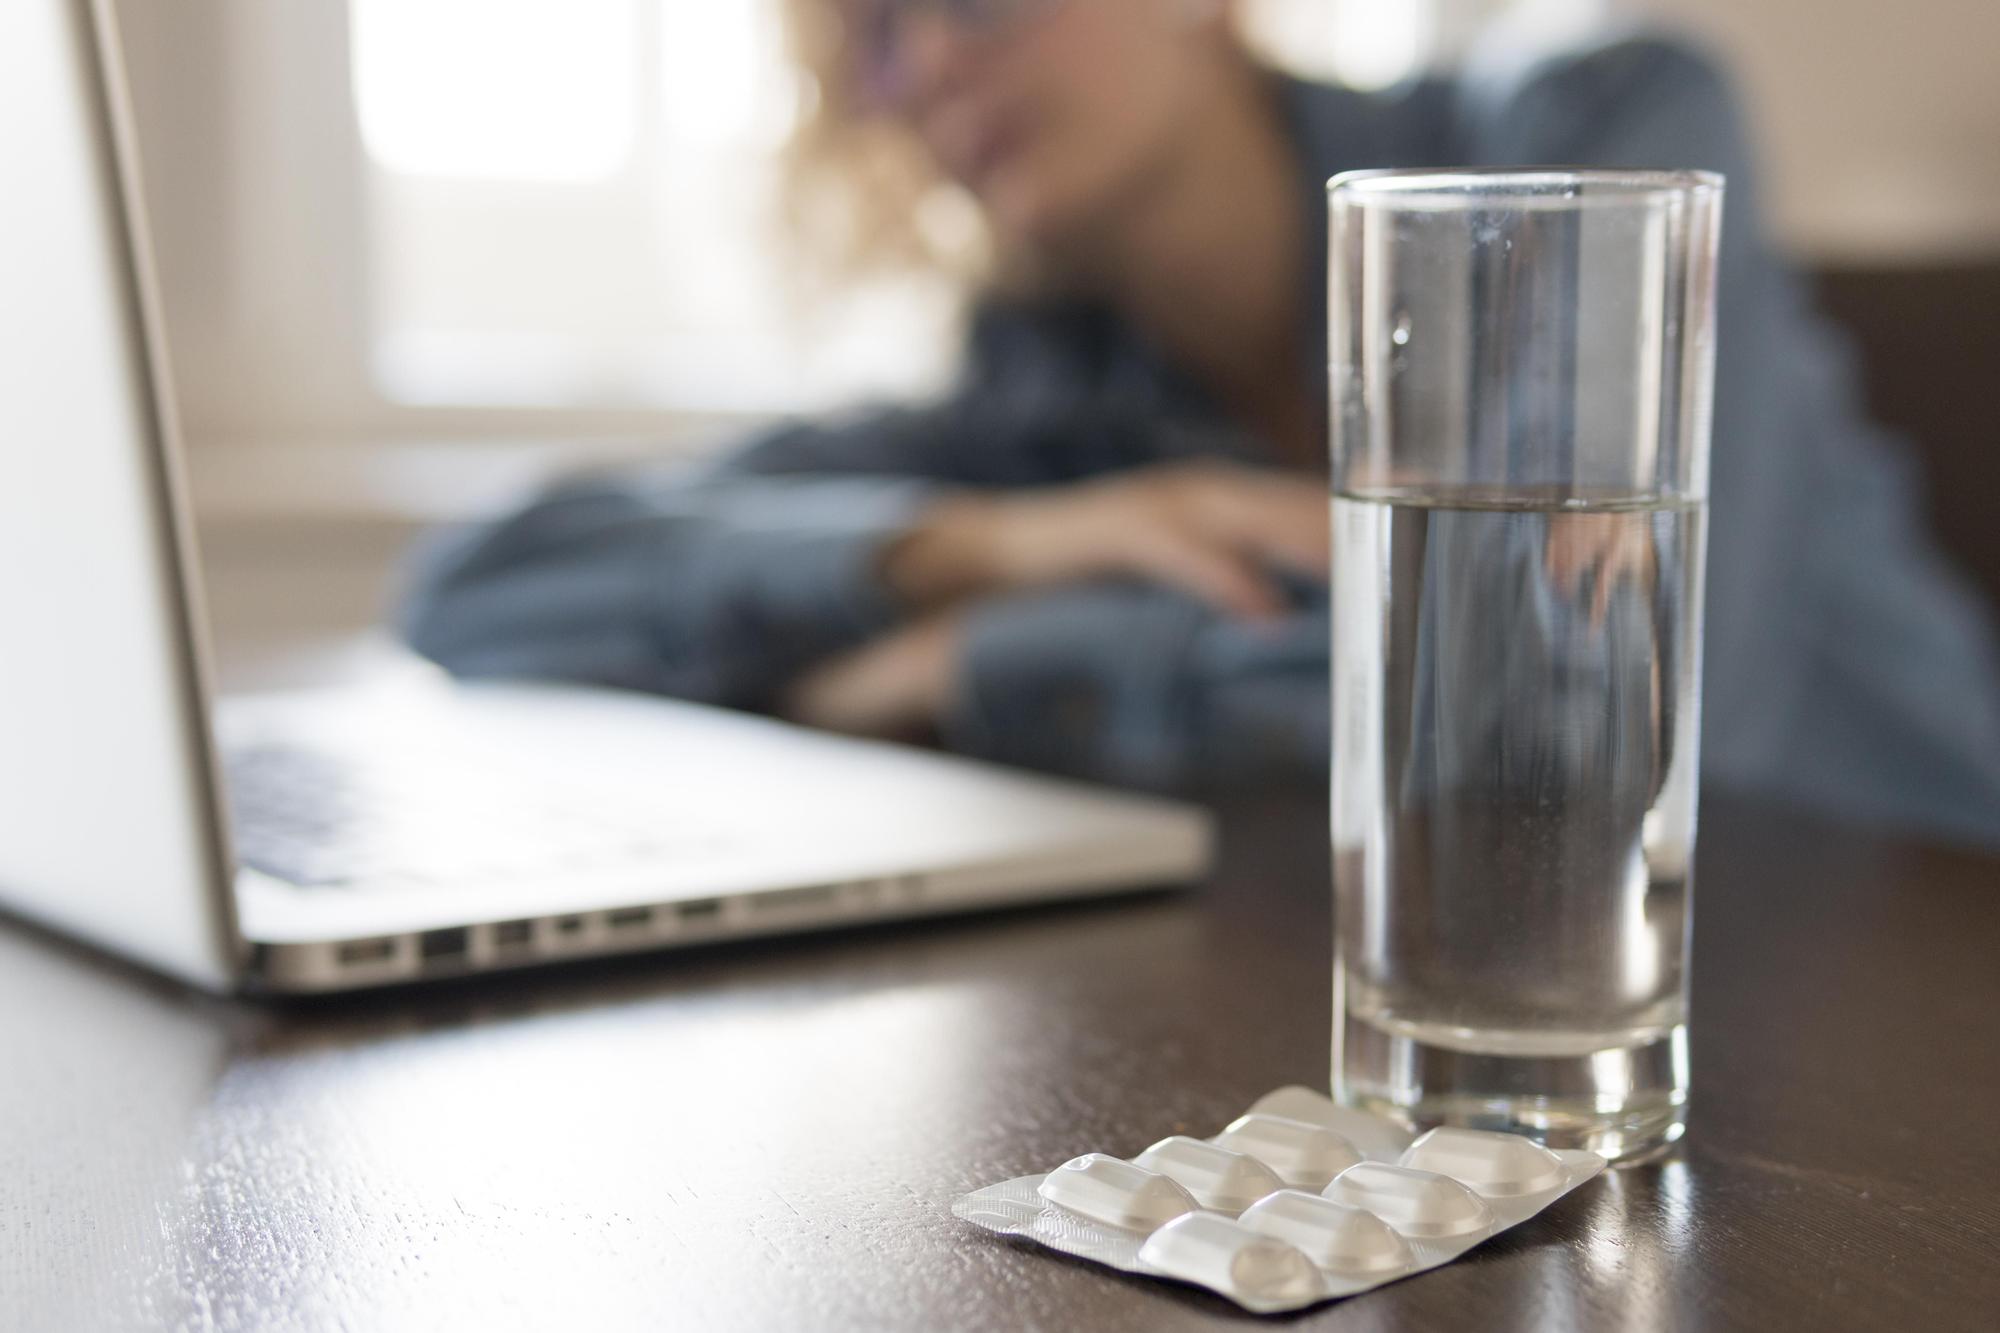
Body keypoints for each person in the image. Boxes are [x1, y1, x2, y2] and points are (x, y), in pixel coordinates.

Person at [398, 0, 2000, 847]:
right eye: (876, 33)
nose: (929, 63)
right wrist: (985, 544)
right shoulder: (1037, 414)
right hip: (1458, 1085)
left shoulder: (1593, 142)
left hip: (1908, 971)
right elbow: (483, 584)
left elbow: (1576, 707)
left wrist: (962, 662)